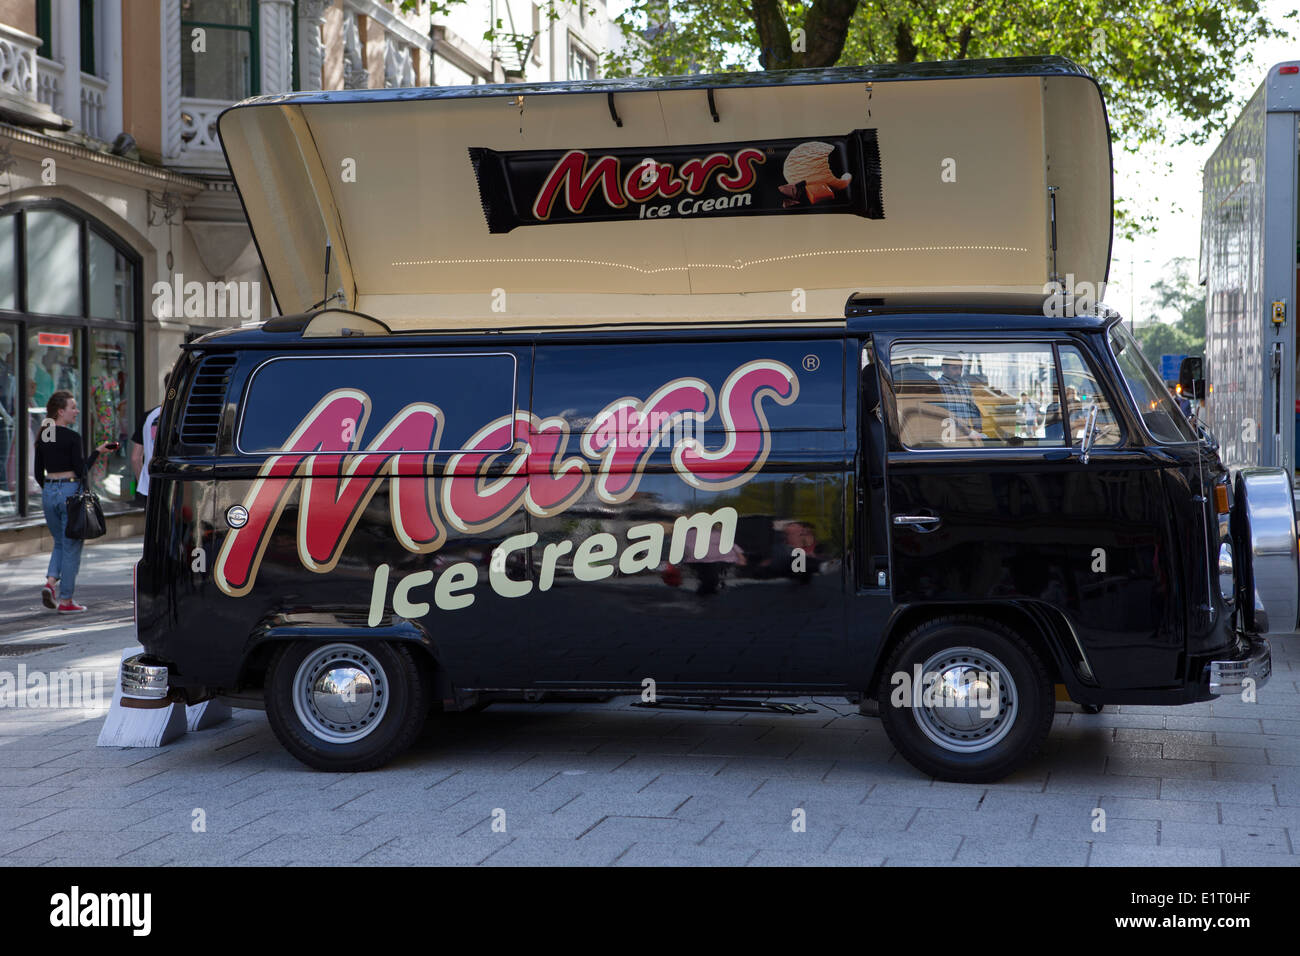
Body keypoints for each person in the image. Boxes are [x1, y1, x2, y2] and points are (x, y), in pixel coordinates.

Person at [34, 390, 115, 613]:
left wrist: (51, 490)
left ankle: (50, 584)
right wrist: (97, 452)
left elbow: (37, 473)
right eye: (73, 407)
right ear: (61, 411)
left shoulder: (43, 435)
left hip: (48, 491)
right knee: (71, 546)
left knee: (59, 542)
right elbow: (82, 471)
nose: (76, 411)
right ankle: (66, 600)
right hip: (69, 490)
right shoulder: (72, 437)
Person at [131, 372, 169, 498]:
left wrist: (143, 484)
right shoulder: (183, 417)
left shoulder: (148, 416)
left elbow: (135, 458)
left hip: (149, 487)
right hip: (174, 487)